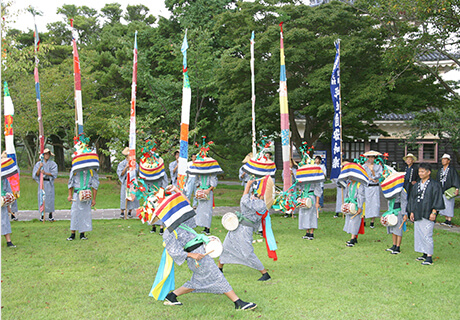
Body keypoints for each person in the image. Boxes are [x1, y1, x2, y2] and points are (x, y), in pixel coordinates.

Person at [159, 186, 257, 310]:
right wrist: (192, 255)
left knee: (198, 282)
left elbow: (186, 204)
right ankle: (238, 303)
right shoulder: (169, 232)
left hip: (200, 252)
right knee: (217, 276)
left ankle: (172, 296)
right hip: (196, 257)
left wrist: (176, 190)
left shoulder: (181, 222)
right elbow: (174, 251)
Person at [218, 179, 272, 281]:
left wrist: (247, 186)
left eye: (255, 193)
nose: (253, 194)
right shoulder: (258, 202)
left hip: (245, 230)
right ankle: (219, 268)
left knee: (247, 252)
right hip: (237, 227)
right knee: (226, 246)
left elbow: (243, 201)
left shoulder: (261, 204)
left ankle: (265, 273)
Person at [408, 163, 445, 265]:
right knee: (419, 233)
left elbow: (437, 198)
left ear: (428, 172)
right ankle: (424, 253)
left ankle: (429, 256)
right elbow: (412, 199)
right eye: (419, 171)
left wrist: (434, 212)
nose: (420, 173)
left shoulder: (435, 185)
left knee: (427, 234)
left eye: (422, 171)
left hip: (428, 212)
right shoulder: (417, 185)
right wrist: (411, 211)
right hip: (418, 212)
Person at [66, 135, 100, 241]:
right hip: (77, 194)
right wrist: (70, 195)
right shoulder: (75, 170)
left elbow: (95, 185)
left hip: (87, 194)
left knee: (85, 214)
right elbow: (70, 183)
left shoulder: (91, 171)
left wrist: (94, 199)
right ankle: (72, 234)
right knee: (75, 213)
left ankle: (82, 234)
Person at [32, 148, 58, 222]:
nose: (47, 156)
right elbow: (35, 174)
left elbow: (54, 173)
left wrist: (45, 173)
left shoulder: (53, 164)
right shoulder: (38, 164)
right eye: (45, 154)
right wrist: (40, 167)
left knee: (50, 198)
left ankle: (50, 214)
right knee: (41, 197)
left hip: (49, 183)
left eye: (48, 154)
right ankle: (42, 214)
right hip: (41, 183)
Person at [436, 154, 459, 227]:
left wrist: (457, 188)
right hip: (442, 189)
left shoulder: (452, 170)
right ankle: (446, 219)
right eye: (442, 159)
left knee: (449, 204)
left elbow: (455, 179)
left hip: (449, 190)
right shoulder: (440, 170)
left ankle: (449, 220)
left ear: (448, 161)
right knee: (444, 204)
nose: (443, 161)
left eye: (445, 159)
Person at [117, 147, 140, 219]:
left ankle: (130, 211)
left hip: (132, 182)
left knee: (132, 196)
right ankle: (122, 212)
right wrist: (126, 167)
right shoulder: (122, 163)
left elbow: (138, 172)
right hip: (125, 181)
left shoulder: (135, 163)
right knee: (124, 196)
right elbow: (120, 174)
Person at [363, 151, 383, 228]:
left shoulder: (378, 166)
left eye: (372, 157)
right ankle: (364, 220)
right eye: (369, 157)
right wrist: (369, 178)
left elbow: (378, 176)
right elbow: (363, 175)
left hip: (375, 187)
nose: (371, 159)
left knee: (374, 204)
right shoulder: (364, 166)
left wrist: (372, 171)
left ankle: (372, 221)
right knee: (365, 203)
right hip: (367, 187)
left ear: (374, 158)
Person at [384, 189, 408, 255]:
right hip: (391, 210)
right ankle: (394, 245)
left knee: (398, 230)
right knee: (393, 229)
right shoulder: (391, 189)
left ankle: (398, 247)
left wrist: (404, 213)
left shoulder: (401, 190)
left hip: (398, 211)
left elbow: (404, 201)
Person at [343, 178, 365, 247]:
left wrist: (359, 206)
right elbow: (346, 194)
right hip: (350, 204)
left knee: (355, 222)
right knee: (350, 220)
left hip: (356, 204)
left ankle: (352, 239)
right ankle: (354, 237)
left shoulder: (359, 185)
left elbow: (360, 196)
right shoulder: (349, 184)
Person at [1, 157, 18, 248]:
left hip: (2, 202)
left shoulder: (4, 179)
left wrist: (8, 205)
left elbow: (8, 190)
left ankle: (9, 241)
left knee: (4, 221)